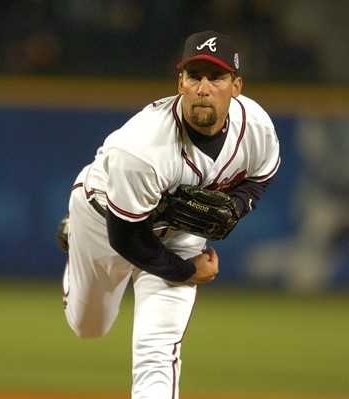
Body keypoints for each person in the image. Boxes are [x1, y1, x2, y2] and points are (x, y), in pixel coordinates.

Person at [60, 30, 280, 399]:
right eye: (194, 76)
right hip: (104, 223)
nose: (203, 87)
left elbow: (261, 176)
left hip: (178, 232)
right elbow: (127, 237)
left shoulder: (256, 128)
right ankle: (74, 237)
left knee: (156, 350)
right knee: (89, 326)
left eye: (217, 77)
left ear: (236, 85)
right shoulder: (141, 149)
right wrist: (186, 271)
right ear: (181, 82)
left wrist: (237, 206)